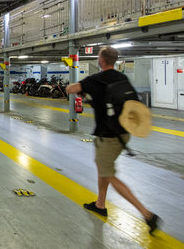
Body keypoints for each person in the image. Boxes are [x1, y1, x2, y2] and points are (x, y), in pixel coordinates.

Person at [65, 47, 160, 234]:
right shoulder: (122, 78)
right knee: (104, 168)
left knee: (108, 173)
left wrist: (84, 89)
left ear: (101, 60)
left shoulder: (95, 80)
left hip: (107, 136)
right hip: (123, 132)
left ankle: (147, 214)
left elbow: (70, 89)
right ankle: (100, 204)